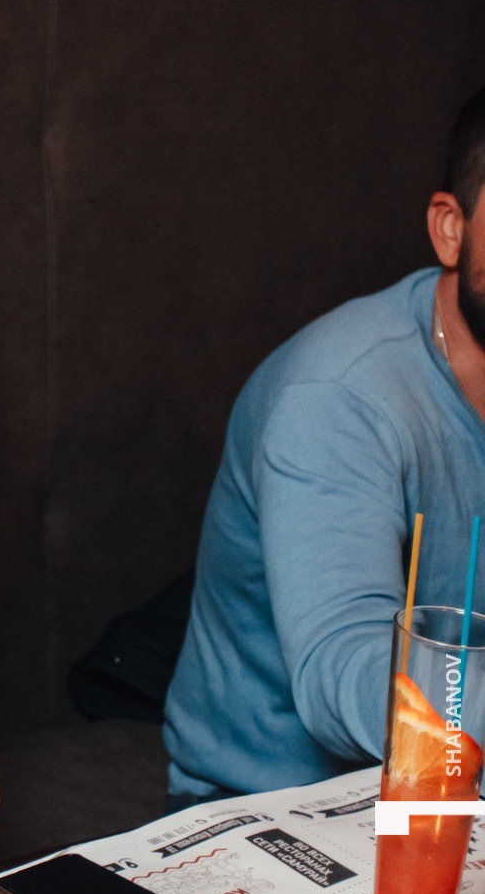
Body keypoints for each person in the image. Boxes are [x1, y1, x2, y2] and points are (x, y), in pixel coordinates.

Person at [164, 88, 485, 802]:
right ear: (450, 230)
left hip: (453, 795)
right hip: (276, 805)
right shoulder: (338, 396)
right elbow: (346, 670)